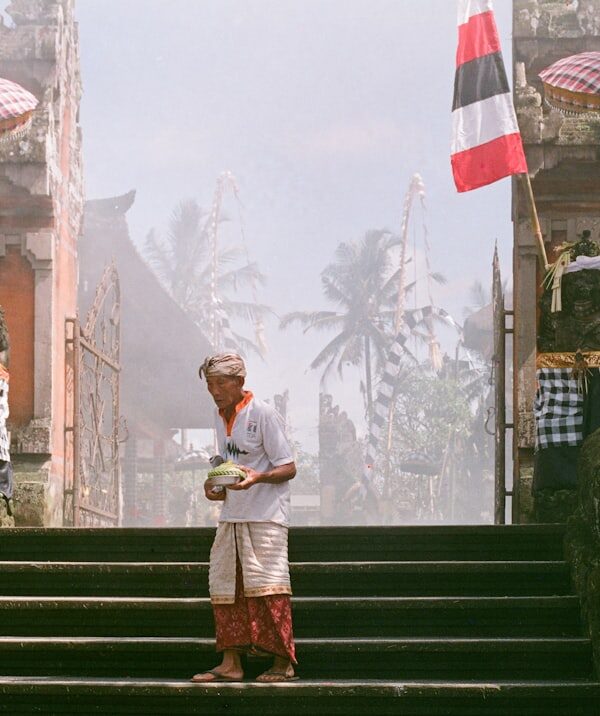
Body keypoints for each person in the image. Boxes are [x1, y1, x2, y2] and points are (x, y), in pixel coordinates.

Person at [191, 353, 298, 683]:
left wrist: (258, 477)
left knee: (269, 588)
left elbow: (288, 467)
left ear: (239, 382)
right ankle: (231, 663)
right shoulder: (217, 415)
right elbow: (225, 463)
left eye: (221, 383)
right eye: (210, 384)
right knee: (225, 587)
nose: (215, 391)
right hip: (232, 516)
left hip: (266, 517)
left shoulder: (263, 413)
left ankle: (283, 663)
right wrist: (215, 485)